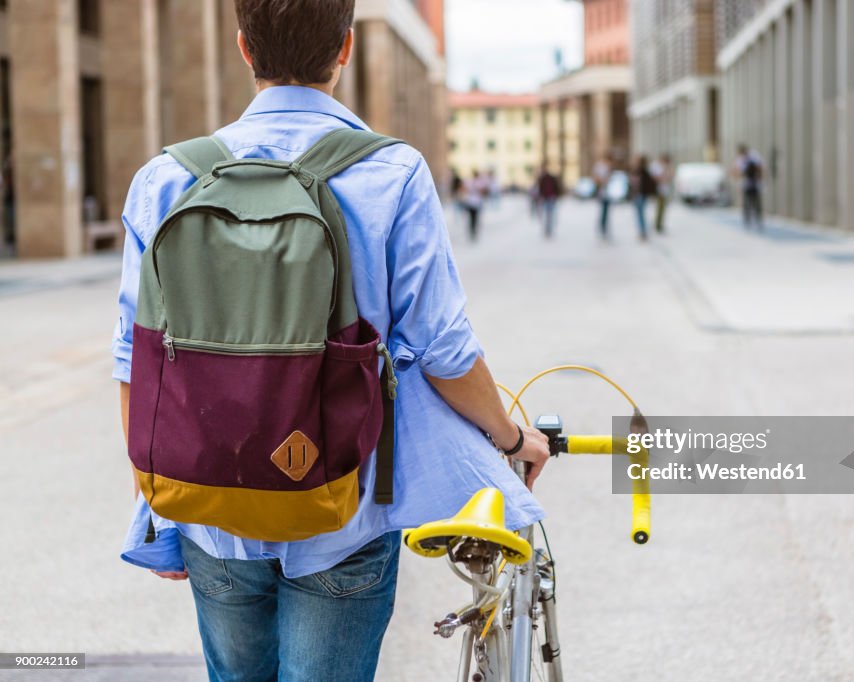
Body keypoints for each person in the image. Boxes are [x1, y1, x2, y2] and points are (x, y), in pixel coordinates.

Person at [111, 2, 550, 680]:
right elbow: (442, 349)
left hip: (206, 507)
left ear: (242, 47)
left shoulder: (165, 178)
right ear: (345, 48)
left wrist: (159, 498)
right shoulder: (392, 173)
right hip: (340, 508)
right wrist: (512, 437)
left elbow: (133, 360)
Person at [734, 143, 764, 230]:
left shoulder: (754, 156)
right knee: (747, 204)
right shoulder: (740, 159)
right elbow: (737, 171)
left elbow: (760, 168)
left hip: (755, 184)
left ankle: (758, 220)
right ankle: (748, 221)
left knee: (756, 204)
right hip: (746, 185)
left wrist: (760, 180)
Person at [630, 155, 657, 241]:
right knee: (641, 214)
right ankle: (643, 231)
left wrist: (633, 194)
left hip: (639, 195)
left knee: (640, 215)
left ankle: (642, 231)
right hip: (643, 195)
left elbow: (635, 184)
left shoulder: (638, 171)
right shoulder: (646, 171)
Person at [535, 162, 562, 239]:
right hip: (546, 198)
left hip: (551, 198)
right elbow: (540, 189)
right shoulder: (542, 179)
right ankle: (547, 229)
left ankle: (549, 229)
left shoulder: (551, 178)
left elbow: (556, 188)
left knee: (550, 215)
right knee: (548, 215)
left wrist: (556, 195)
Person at [460, 169, 487, 241]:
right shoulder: (477, 182)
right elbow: (483, 192)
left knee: (472, 218)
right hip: (474, 202)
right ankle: (473, 230)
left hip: (472, 202)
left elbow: (463, 189)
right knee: (474, 218)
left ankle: (472, 230)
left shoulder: (470, 181)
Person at [649, 153, 672, 234]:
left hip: (664, 190)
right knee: (659, 208)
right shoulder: (655, 166)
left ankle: (659, 224)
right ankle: (657, 225)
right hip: (658, 190)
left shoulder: (666, 166)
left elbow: (669, 177)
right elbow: (656, 178)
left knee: (662, 209)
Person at [593, 152, 614, 240]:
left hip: (608, 193)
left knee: (606, 212)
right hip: (602, 192)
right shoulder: (599, 166)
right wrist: (602, 181)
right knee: (603, 212)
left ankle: (605, 229)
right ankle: (602, 228)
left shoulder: (610, 168)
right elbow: (596, 179)